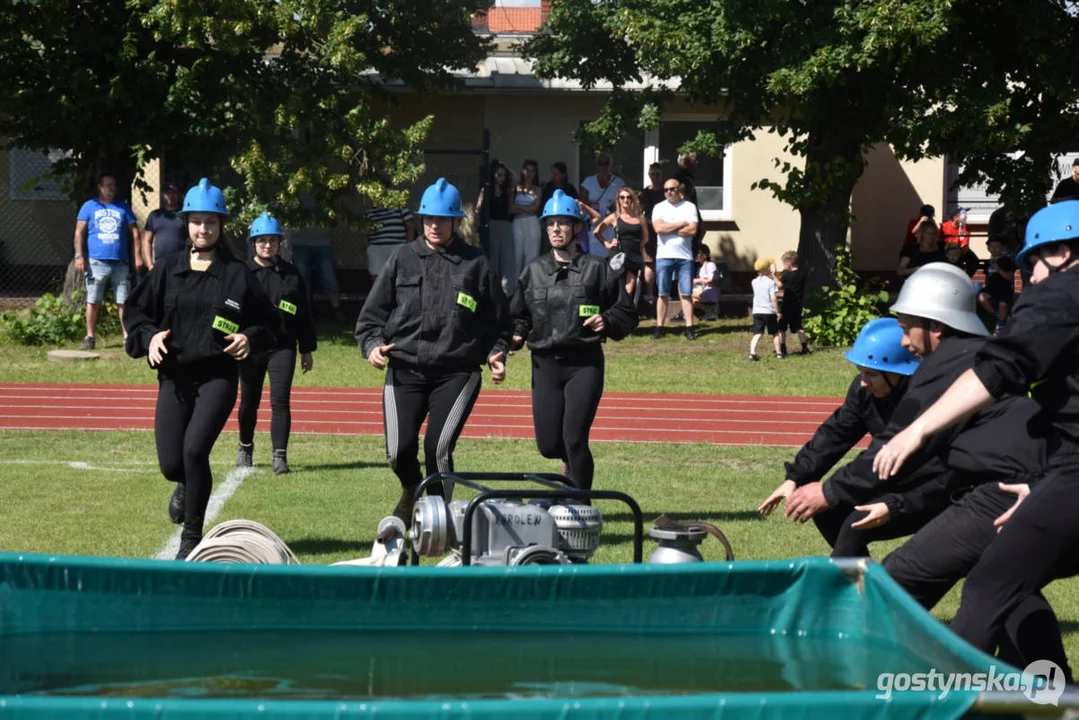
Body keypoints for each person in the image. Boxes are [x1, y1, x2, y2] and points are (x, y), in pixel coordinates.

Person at [875, 201, 1079, 681]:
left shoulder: (1062, 294)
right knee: (1016, 581)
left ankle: (954, 707)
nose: (1030, 278)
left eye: (1033, 264)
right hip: (1057, 477)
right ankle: (1054, 694)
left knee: (991, 585)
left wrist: (916, 430)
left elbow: (1001, 369)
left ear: (1065, 252)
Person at [123, 178, 278, 560]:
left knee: (194, 452)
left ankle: (191, 536)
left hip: (217, 377)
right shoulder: (168, 267)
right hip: (174, 378)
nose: (203, 229)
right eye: (196, 221)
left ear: (221, 225)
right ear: (186, 223)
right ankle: (184, 486)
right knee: (171, 463)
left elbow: (269, 323)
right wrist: (149, 338)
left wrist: (249, 338)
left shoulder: (237, 274)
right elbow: (136, 312)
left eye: (210, 222)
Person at [355, 178, 513, 527]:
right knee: (398, 453)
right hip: (405, 370)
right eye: (428, 218)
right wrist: (371, 347)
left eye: (442, 219)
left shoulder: (476, 263)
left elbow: (500, 323)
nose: (434, 225)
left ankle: (438, 520)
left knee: (438, 449)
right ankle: (412, 488)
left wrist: (496, 353)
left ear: (456, 221)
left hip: (457, 372)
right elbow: (370, 319)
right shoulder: (401, 258)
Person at [509, 190, 638, 491]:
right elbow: (518, 316)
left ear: (577, 227)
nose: (555, 229)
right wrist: (515, 335)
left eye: (563, 223)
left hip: (584, 364)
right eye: (550, 223)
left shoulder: (596, 269)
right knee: (548, 444)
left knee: (575, 438)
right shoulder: (532, 272)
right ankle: (570, 470)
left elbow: (626, 312)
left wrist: (606, 321)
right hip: (545, 365)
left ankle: (580, 506)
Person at [759, 317, 920, 556]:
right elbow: (836, 432)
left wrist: (829, 491)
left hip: (932, 490)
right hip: (894, 478)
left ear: (898, 373)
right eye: (861, 372)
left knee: (855, 526)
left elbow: (881, 454)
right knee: (828, 513)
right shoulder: (864, 391)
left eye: (871, 374)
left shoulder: (920, 398)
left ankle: (862, 587)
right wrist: (796, 477)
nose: (863, 382)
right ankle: (861, 586)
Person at [236, 212, 318, 475]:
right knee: (249, 402)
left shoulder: (291, 274)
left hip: (283, 346)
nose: (267, 245)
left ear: (279, 243)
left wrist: (306, 348)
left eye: (272, 240)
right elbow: (232, 310)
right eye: (261, 241)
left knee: (280, 402)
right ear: (253, 244)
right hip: (251, 348)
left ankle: (279, 457)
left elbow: (303, 313)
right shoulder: (242, 273)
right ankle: (245, 447)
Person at [73, 173, 143, 350]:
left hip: (120, 262)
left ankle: (127, 337)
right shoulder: (89, 206)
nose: (112, 188)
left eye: (114, 185)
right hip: (97, 262)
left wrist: (138, 257)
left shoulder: (123, 207)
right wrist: (79, 256)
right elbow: (79, 232)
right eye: (108, 185)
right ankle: (90, 337)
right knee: (94, 300)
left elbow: (135, 233)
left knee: (123, 301)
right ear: (99, 186)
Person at [650, 177, 699, 340]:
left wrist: (668, 228)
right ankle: (659, 326)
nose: (669, 192)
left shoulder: (689, 207)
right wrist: (681, 224)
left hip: (685, 257)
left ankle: (690, 327)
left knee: (686, 293)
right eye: (666, 190)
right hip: (664, 256)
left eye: (672, 189)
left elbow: (692, 230)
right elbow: (658, 228)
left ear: (679, 190)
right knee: (662, 293)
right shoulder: (658, 207)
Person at [142, 180, 185, 271]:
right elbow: (147, 241)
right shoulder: (154, 215)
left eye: (174, 193)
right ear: (162, 194)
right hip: (160, 263)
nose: (170, 196)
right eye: (168, 193)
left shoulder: (184, 215)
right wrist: (150, 265)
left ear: (179, 195)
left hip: (181, 263)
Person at [778, 250, 810, 356]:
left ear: (789, 263)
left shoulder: (787, 276)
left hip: (786, 305)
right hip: (797, 305)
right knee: (799, 327)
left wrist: (773, 276)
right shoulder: (802, 275)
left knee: (782, 328)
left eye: (783, 264)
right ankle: (805, 348)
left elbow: (779, 285)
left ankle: (783, 349)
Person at [748, 257, 781, 360]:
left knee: (757, 333)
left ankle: (752, 353)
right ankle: (779, 353)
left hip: (757, 311)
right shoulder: (770, 283)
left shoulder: (754, 282)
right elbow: (773, 298)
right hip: (769, 311)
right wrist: (777, 311)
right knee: (775, 333)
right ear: (768, 268)